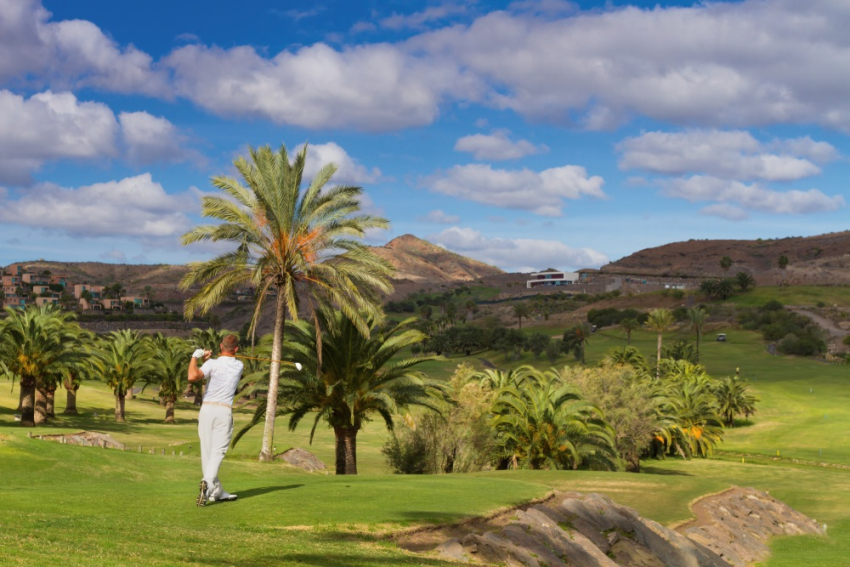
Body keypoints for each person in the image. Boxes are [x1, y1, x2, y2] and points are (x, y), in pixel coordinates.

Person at [188, 334, 243, 507]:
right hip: (223, 411)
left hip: (207, 410)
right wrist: (207, 361)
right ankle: (209, 484)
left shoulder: (212, 364)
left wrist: (195, 357)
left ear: (220, 346)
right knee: (217, 451)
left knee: (207, 451)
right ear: (236, 349)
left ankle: (216, 491)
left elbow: (192, 375)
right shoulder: (239, 365)